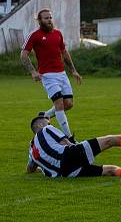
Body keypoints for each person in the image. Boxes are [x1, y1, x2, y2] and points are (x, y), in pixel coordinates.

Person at [26, 114, 121, 178]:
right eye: (47, 122)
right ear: (40, 125)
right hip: (69, 155)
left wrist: (43, 168)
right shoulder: (46, 130)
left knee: (109, 170)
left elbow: (30, 169)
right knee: (110, 140)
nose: (50, 124)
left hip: (65, 173)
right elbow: (66, 144)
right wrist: (77, 146)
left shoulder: (31, 149)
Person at [20, 8, 82, 141]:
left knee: (69, 104)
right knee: (59, 104)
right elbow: (24, 54)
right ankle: (69, 138)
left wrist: (73, 70)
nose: (49, 20)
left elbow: (64, 53)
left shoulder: (58, 34)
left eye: (50, 18)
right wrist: (33, 71)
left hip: (62, 74)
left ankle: (45, 115)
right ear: (40, 20)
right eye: (46, 18)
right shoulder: (35, 35)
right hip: (48, 76)